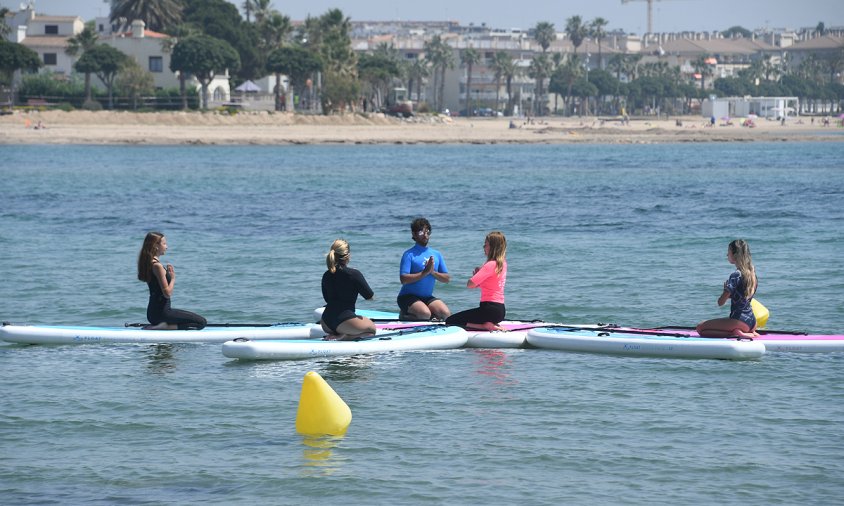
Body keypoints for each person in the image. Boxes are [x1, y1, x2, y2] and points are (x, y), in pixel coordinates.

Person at [137, 232, 206, 330]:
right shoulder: (157, 266)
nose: (167, 247)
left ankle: (162, 325)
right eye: (164, 244)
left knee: (196, 320)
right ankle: (164, 326)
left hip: (154, 313)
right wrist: (173, 278)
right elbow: (167, 293)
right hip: (161, 313)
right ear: (155, 246)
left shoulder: (149, 263)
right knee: (201, 322)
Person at [445, 231, 507, 331]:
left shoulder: (490, 265)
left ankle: (485, 326)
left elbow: (470, 284)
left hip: (488, 310)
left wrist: (477, 276)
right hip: (500, 311)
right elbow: (488, 284)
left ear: (492, 247)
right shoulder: (502, 264)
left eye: (486, 245)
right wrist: (480, 278)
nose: (484, 247)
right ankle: (489, 323)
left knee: (451, 320)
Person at [696, 239, 759, 339]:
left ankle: (737, 334)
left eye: (728, 252)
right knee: (706, 327)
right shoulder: (752, 275)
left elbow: (720, 302)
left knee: (700, 328)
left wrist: (726, 291)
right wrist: (731, 294)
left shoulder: (736, 275)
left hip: (739, 321)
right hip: (752, 321)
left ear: (735, 255)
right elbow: (743, 298)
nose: (727, 255)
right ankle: (749, 332)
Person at [320, 239, 376, 340]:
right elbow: (369, 296)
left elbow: (327, 299)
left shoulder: (326, 275)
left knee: (354, 319)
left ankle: (337, 334)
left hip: (326, 322)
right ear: (348, 255)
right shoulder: (354, 274)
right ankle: (344, 337)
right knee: (371, 329)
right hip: (344, 321)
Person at [397, 217, 451, 321]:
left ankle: (428, 315)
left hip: (426, 297)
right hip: (407, 297)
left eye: (427, 232)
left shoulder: (436, 254)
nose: (425, 235)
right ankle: (404, 315)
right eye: (421, 232)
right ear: (414, 234)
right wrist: (424, 272)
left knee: (446, 314)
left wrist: (432, 272)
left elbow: (447, 278)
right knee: (425, 315)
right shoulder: (409, 254)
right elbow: (403, 279)